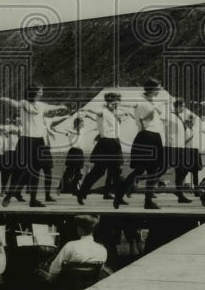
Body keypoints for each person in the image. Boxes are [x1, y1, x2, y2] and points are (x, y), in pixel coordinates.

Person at [0, 85, 69, 208]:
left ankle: (33, 200)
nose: (42, 93)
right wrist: (4, 98)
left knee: (35, 171)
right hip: (27, 139)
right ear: (34, 92)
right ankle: (9, 195)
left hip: (39, 141)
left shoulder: (42, 105)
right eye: (40, 91)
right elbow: (15, 104)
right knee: (21, 169)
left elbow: (51, 107)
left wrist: (61, 106)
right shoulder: (24, 103)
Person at [114, 79, 170, 211]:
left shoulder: (152, 102)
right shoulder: (141, 100)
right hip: (146, 136)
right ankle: (121, 195)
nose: (160, 90)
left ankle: (147, 201)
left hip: (154, 136)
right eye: (158, 88)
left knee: (152, 171)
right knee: (141, 170)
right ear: (152, 89)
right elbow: (135, 107)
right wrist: (120, 105)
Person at [76, 92, 127, 205]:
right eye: (112, 101)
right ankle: (81, 192)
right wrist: (84, 110)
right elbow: (92, 110)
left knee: (116, 172)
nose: (115, 104)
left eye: (116, 102)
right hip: (106, 144)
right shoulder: (102, 111)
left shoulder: (116, 113)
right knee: (98, 172)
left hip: (115, 143)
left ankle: (118, 197)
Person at [43, 214, 107, 279]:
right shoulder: (102, 250)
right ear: (93, 230)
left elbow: (53, 271)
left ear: (80, 229)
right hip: (90, 287)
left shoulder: (70, 246)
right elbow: (99, 271)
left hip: (67, 287)